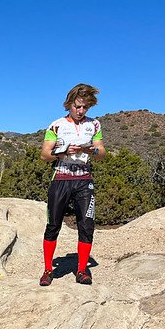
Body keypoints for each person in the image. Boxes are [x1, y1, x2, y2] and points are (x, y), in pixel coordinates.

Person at [39, 83, 106, 286]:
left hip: (84, 179)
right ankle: (48, 269)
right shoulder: (56, 125)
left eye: (85, 107)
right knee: (53, 225)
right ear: (69, 104)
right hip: (61, 178)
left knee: (86, 225)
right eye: (78, 106)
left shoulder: (94, 125)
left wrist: (91, 150)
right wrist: (63, 153)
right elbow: (44, 155)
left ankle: (82, 270)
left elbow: (102, 153)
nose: (81, 111)